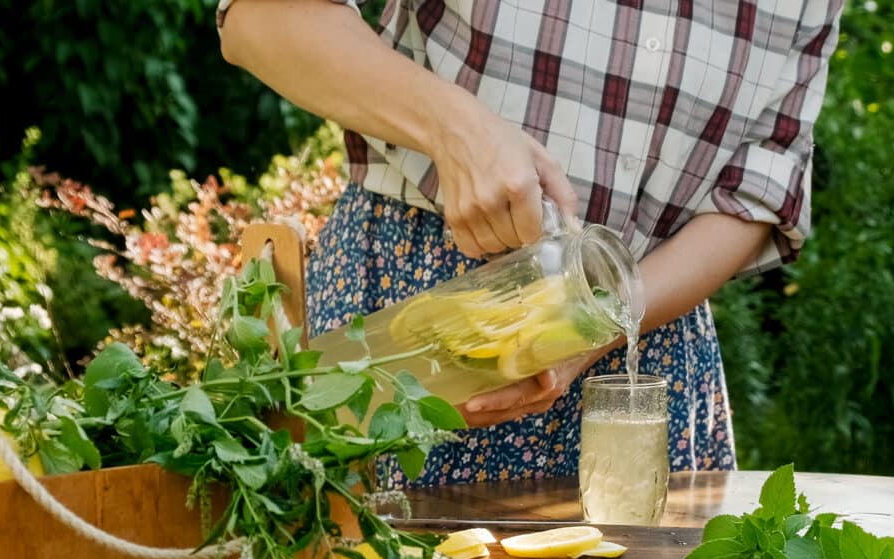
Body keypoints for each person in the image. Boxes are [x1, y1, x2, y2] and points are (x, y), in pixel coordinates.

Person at [218, 0, 844, 488]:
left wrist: (598, 324)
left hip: (643, 351)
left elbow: (756, 193)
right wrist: (457, 130)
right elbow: (260, 17)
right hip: (419, 316)